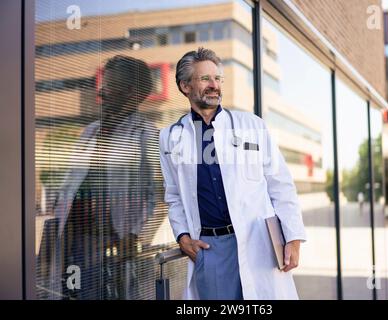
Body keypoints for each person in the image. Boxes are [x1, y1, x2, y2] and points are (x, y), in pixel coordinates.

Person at [159, 47, 307, 300]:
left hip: (258, 242)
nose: (214, 85)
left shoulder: (252, 125)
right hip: (209, 248)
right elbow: (173, 195)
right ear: (185, 86)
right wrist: (183, 237)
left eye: (217, 79)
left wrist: (293, 237)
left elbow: (280, 184)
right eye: (205, 79)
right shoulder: (170, 137)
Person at [44, 55, 157, 299]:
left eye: (109, 85)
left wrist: (135, 234)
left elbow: (156, 193)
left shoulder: (145, 134)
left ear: (129, 92)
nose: (101, 91)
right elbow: (70, 183)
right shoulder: (91, 131)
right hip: (76, 241)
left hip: (115, 243)